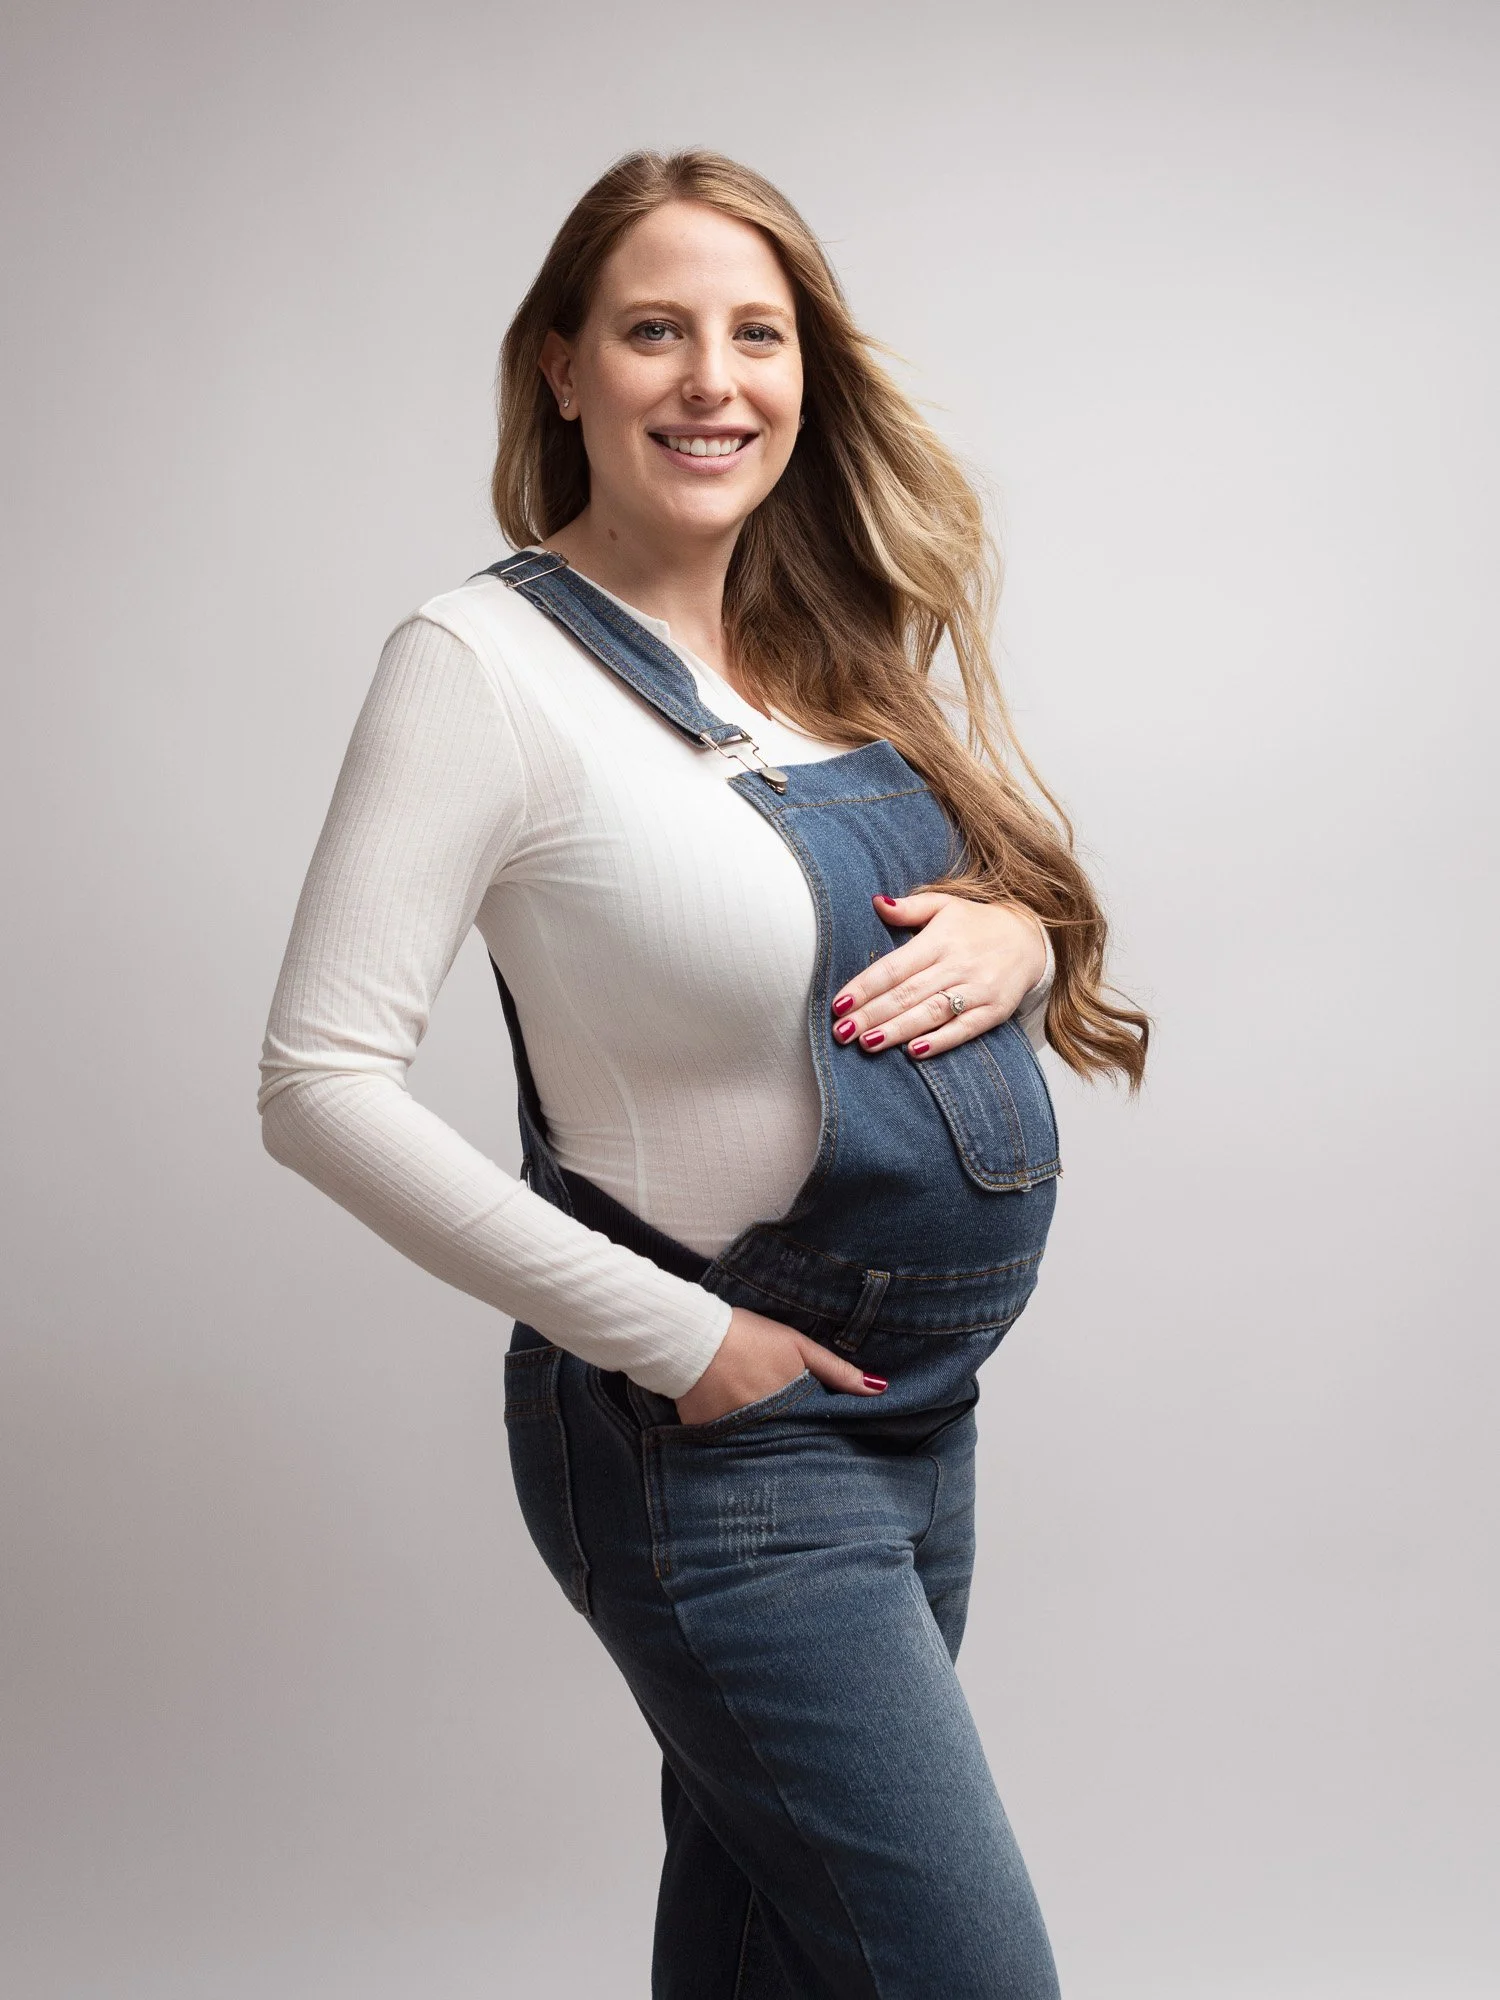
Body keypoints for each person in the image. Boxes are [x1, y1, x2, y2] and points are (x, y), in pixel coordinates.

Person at [258, 148, 1148, 2000]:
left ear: (807, 371)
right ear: (564, 366)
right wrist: (680, 1340)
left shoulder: (825, 654)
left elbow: (959, 914)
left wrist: (1020, 934)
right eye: (655, 331)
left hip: (919, 1416)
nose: (713, 380)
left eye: (757, 334)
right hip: (720, 1449)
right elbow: (317, 1083)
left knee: (765, 1952)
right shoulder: (480, 665)